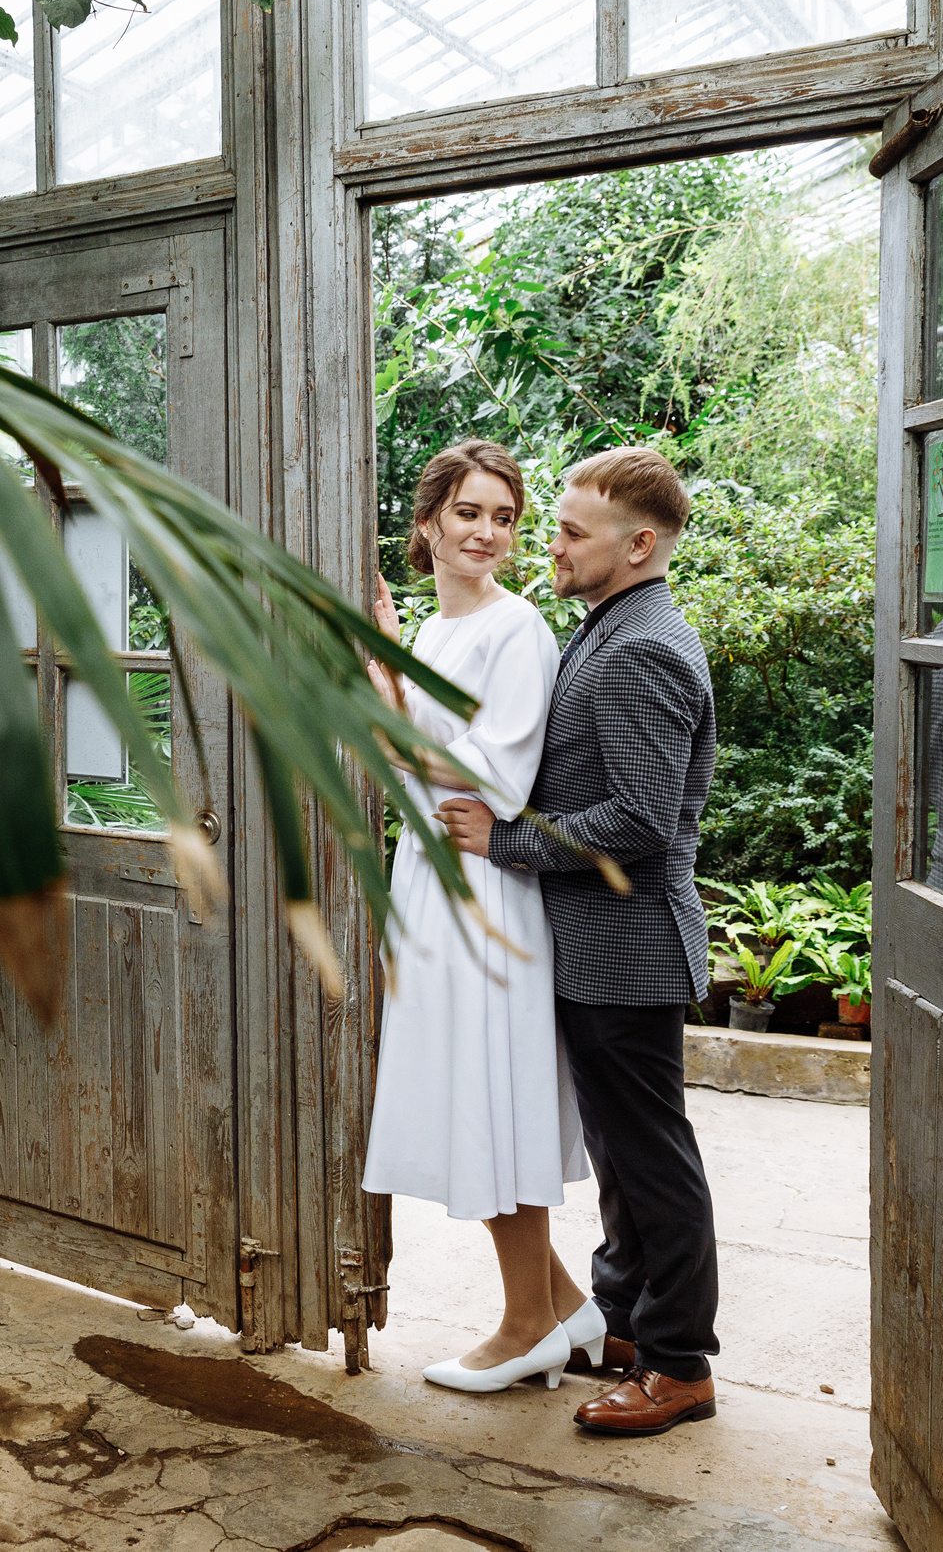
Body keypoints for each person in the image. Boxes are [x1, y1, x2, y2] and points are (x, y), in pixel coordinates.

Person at [437, 445, 721, 1438]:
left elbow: (642, 819)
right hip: (601, 945)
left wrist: (506, 842)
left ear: (637, 545)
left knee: (650, 1161)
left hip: (628, 946)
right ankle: (629, 1330)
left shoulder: (641, 646)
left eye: (566, 531)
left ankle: (680, 1367)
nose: (546, 545)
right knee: (618, 1154)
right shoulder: (614, 628)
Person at [361, 439, 605, 1396]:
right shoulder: (429, 633)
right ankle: (572, 1310)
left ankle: (523, 1325)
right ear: (430, 523)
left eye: (504, 516)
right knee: (470, 1086)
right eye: (469, 512)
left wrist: (394, 721)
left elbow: (493, 778)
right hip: (434, 872)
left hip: (485, 882)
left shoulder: (519, 631)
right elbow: (416, 757)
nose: (487, 533)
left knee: (492, 1094)